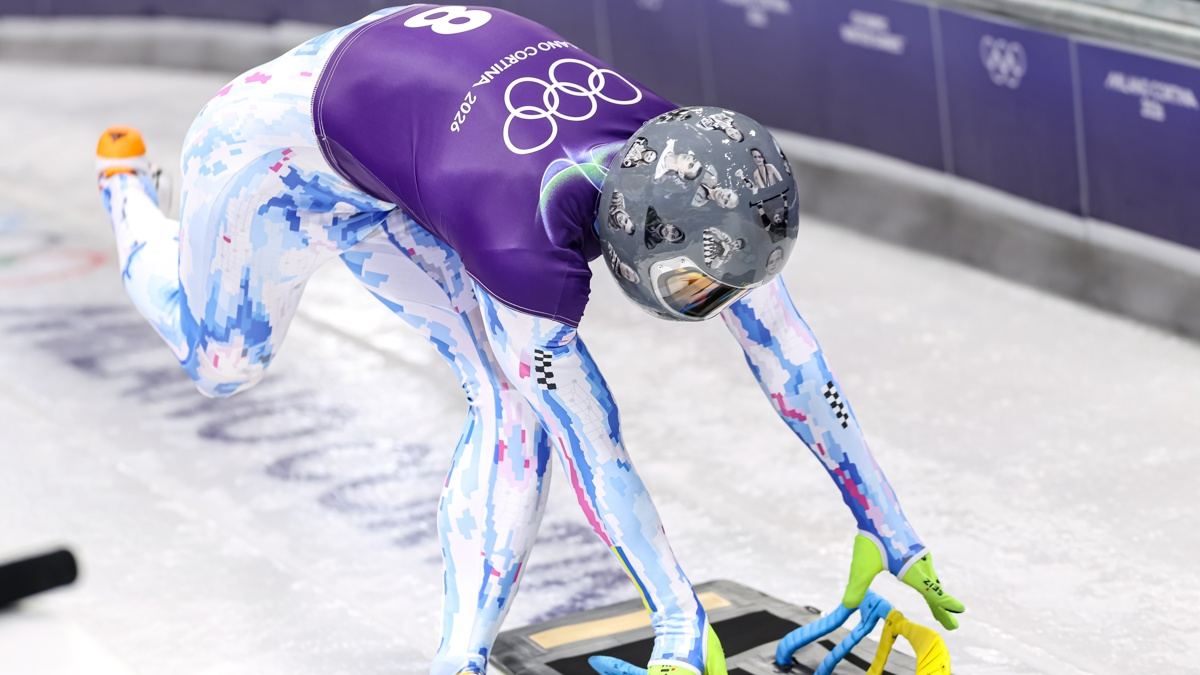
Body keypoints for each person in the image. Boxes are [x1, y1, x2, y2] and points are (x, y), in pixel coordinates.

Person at [93, 5, 962, 675]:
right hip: (271, 152)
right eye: (697, 289)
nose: (712, 303)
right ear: (637, 238)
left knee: (507, 398)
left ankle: (458, 656)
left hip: (400, 127)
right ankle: (126, 187)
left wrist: (893, 531)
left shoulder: (689, 160)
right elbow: (595, 440)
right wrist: (675, 616)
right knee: (224, 363)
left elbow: (792, 357)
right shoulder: (525, 229)